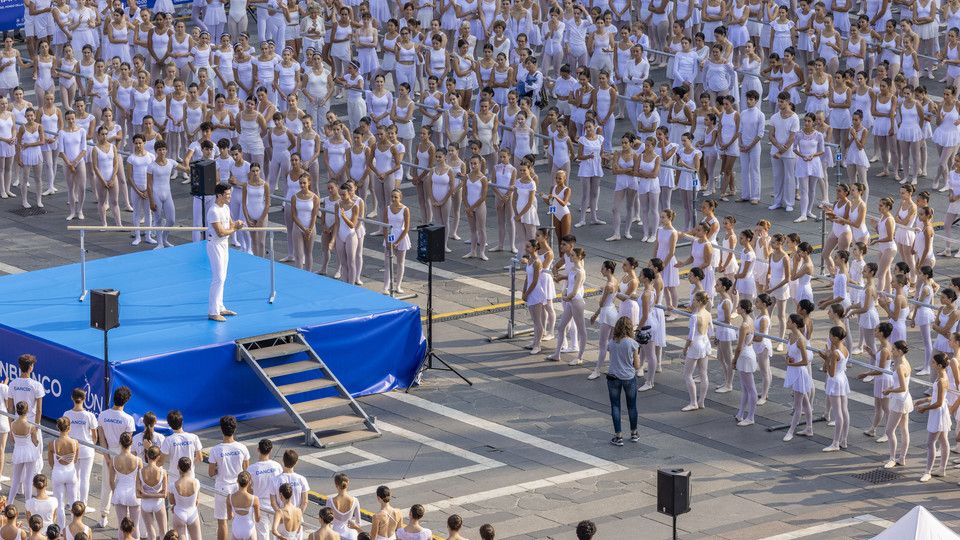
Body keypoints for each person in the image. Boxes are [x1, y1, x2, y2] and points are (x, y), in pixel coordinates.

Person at [97, 386, 135, 528]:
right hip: (123, 453)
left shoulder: (102, 415)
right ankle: (127, 517)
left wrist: (106, 456)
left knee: (106, 485)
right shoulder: (128, 419)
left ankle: (103, 516)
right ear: (126, 401)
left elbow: (101, 438)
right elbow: (128, 442)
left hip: (109, 452)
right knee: (125, 484)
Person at [915, 353, 956, 482]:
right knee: (943, 440)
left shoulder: (941, 380)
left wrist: (924, 408)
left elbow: (938, 402)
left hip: (938, 412)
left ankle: (928, 471)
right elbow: (938, 397)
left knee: (930, 442)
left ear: (939, 365)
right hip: (940, 410)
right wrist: (923, 400)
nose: (931, 364)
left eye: (933, 362)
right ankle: (941, 468)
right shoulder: (941, 377)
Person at [207, 184, 245, 322]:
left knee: (223, 276)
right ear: (219, 195)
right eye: (227, 194)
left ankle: (220, 307)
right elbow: (221, 232)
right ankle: (213, 311)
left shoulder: (226, 208)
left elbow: (231, 224)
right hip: (215, 245)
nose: (229, 196)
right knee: (218, 278)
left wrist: (237, 224)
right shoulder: (213, 211)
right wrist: (235, 228)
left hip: (224, 244)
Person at [209, 416, 250, 540]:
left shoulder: (215, 450)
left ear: (221, 430)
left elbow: (211, 473)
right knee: (242, 520)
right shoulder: (242, 448)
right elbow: (246, 471)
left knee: (222, 522)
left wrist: (219, 468)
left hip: (222, 488)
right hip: (239, 488)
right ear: (235, 429)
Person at [605, 316, 640, 446]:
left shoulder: (612, 342)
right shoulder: (632, 343)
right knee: (632, 406)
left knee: (615, 406)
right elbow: (636, 365)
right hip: (629, 378)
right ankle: (634, 433)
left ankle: (618, 436)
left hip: (613, 377)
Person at [46, 417, 78, 529]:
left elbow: (50, 462)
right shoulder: (75, 443)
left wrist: (56, 468)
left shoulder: (52, 444)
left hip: (58, 473)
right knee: (74, 501)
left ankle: (61, 528)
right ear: (69, 428)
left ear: (57, 427)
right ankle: (75, 526)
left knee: (59, 503)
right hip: (71, 473)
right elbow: (75, 459)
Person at [246, 439, 281, 540]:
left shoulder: (251, 469)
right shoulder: (277, 466)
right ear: (270, 450)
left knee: (262, 535)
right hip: (275, 505)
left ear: (258, 449)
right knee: (277, 533)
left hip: (259, 505)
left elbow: (248, 489)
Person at [110, 432, 142, 539]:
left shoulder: (114, 460)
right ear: (131, 443)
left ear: (120, 443)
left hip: (120, 492)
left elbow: (111, 481)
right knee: (135, 525)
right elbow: (140, 481)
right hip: (133, 493)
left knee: (121, 525)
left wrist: (115, 492)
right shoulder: (138, 460)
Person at [8, 401, 39, 504]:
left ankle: (10, 502)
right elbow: (35, 442)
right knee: (28, 480)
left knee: (16, 479)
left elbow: (12, 440)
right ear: (27, 411)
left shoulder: (12, 424)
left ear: (17, 411)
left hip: (18, 451)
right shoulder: (31, 426)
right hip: (29, 452)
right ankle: (28, 505)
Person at [137, 446, 167, 540]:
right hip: (158, 503)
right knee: (163, 532)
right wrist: (155, 495)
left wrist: (146, 495)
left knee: (150, 533)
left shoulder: (140, 472)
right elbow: (164, 495)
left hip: (145, 504)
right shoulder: (163, 472)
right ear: (158, 457)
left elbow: (138, 494)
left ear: (146, 455)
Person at [169, 458, 201, 540]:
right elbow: (197, 501)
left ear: (177, 467)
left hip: (179, 513)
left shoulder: (173, 485)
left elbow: (172, 501)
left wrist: (176, 505)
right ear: (190, 468)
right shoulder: (196, 482)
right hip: (192, 512)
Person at [326, 473, 359, 540]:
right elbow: (358, 522)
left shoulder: (330, 501)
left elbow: (327, 522)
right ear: (347, 483)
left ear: (336, 485)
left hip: (336, 534)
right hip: (351, 535)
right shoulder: (355, 500)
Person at [227, 472, 260, 540]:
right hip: (249, 529)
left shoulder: (229, 497)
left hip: (236, 529)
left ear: (237, 481)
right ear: (249, 482)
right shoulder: (254, 499)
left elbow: (229, 517)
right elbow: (257, 519)